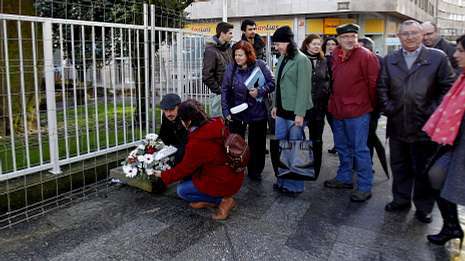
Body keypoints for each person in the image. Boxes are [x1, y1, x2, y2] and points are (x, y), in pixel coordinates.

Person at [378, 20, 455, 223]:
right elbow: (382, 88)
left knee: (423, 169)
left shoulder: (437, 58)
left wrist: (431, 113)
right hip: (397, 125)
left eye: (414, 33)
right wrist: (391, 109)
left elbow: (447, 88)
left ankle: (423, 207)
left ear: (422, 35)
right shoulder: (389, 59)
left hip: (425, 126)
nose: (410, 37)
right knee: (399, 166)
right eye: (405, 34)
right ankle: (400, 200)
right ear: (399, 36)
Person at [152, 99, 245, 220]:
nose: (180, 122)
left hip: (223, 180)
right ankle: (211, 199)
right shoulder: (216, 123)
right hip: (234, 174)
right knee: (189, 181)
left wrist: (163, 175)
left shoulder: (198, 141)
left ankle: (223, 200)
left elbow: (183, 169)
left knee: (182, 191)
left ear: (189, 121)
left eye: (181, 119)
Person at [323, 24, 380, 203]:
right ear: (338, 39)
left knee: (360, 150)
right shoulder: (334, 55)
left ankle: (364, 186)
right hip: (338, 110)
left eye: (353, 36)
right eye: (345, 36)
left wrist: (371, 107)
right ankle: (344, 177)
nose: (350, 40)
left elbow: (374, 85)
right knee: (341, 146)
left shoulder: (366, 56)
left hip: (358, 111)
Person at [422, 34, 465, 248]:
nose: (455, 54)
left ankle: (451, 226)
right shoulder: (463, 76)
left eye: (461, 50)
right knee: (435, 175)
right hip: (452, 142)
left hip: (459, 145)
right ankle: (451, 225)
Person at [221, 41, 275, 181]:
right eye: (236, 55)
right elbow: (225, 90)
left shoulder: (260, 65)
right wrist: (226, 111)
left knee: (257, 143)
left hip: (257, 112)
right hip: (237, 112)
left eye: (241, 55)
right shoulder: (231, 68)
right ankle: (236, 167)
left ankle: (255, 171)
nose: (238, 58)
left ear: (249, 55)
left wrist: (260, 91)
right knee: (235, 143)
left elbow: (272, 83)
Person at [270, 26, 312, 195]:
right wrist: (274, 105)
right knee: (282, 148)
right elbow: (278, 85)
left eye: (278, 43)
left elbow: (304, 89)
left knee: (295, 150)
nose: (276, 47)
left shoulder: (302, 60)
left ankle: (295, 186)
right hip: (281, 112)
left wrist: (300, 114)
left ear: (288, 42)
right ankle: (282, 181)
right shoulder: (282, 58)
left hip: (295, 114)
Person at [357, 37, 389, 178]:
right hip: (357, 108)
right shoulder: (355, 61)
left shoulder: (380, 61)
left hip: (372, 108)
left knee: (368, 138)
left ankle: (367, 166)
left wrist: (381, 107)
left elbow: (383, 86)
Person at [300, 34, 331, 177]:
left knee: (316, 139)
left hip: (318, 107)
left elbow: (329, 81)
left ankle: (315, 166)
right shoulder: (299, 60)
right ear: (307, 45)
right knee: (297, 138)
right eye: (314, 44)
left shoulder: (324, 61)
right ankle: (298, 164)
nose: (317, 46)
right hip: (301, 108)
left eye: (319, 44)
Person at [202, 22, 234, 117]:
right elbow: (207, 75)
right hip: (219, 95)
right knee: (219, 124)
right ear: (222, 34)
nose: (232, 36)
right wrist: (219, 91)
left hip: (229, 92)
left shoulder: (228, 48)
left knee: (228, 124)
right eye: (230, 33)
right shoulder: (211, 51)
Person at [158, 93, 188, 164]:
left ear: (179, 107)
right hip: (175, 143)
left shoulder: (186, 117)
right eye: (165, 110)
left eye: (172, 109)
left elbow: (187, 143)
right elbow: (163, 134)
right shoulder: (166, 116)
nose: (168, 114)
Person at [322, 37, 338, 154]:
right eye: (328, 44)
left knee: (334, 123)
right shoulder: (323, 59)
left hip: (333, 96)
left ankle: (338, 144)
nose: (331, 46)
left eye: (333, 44)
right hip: (322, 96)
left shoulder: (338, 59)